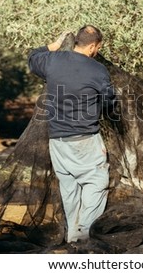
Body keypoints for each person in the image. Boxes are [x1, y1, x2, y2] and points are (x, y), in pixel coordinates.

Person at [28, 25, 117, 243]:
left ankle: (72, 236)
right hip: (85, 140)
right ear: (93, 46)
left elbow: (32, 57)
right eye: (97, 48)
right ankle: (84, 237)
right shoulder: (97, 70)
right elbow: (109, 102)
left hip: (57, 141)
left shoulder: (52, 61)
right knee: (96, 183)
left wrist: (55, 45)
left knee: (69, 188)